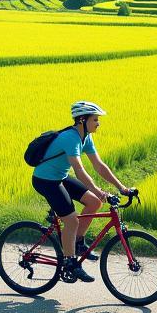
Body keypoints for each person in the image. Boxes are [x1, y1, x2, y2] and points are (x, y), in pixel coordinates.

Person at [31, 101, 136, 283]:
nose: (98, 123)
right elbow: (79, 171)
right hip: (45, 180)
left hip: (60, 177)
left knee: (95, 202)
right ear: (82, 120)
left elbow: (99, 166)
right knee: (71, 220)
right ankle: (70, 262)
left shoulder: (85, 137)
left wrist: (122, 188)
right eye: (95, 119)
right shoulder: (70, 138)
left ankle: (77, 243)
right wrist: (98, 190)